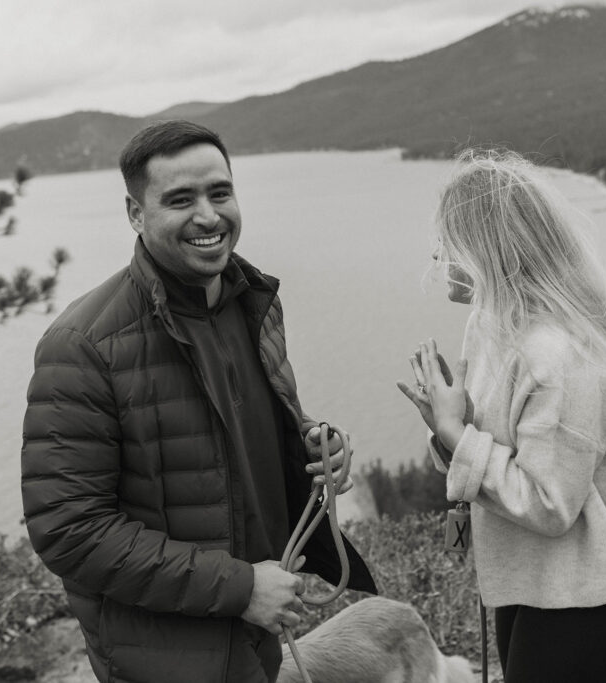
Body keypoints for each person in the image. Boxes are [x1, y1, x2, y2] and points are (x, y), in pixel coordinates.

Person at [21, 120, 376, 683]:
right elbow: (69, 530)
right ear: (136, 214)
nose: (208, 216)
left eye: (220, 192)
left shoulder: (249, 304)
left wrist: (312, 444)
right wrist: (240, 589)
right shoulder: (82, 345)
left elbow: (223, 439)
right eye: (180, 199)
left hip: (252, 638)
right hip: (166, 658)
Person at [398, 148, 606, 682]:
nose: (437, 256)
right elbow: (488, 447)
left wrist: (456, 434)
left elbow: (551, 504)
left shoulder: (561, 357)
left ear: (488, 250)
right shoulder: (490, 324)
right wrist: (447, 428)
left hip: (594, 588)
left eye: (448, 241)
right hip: (540, 573)